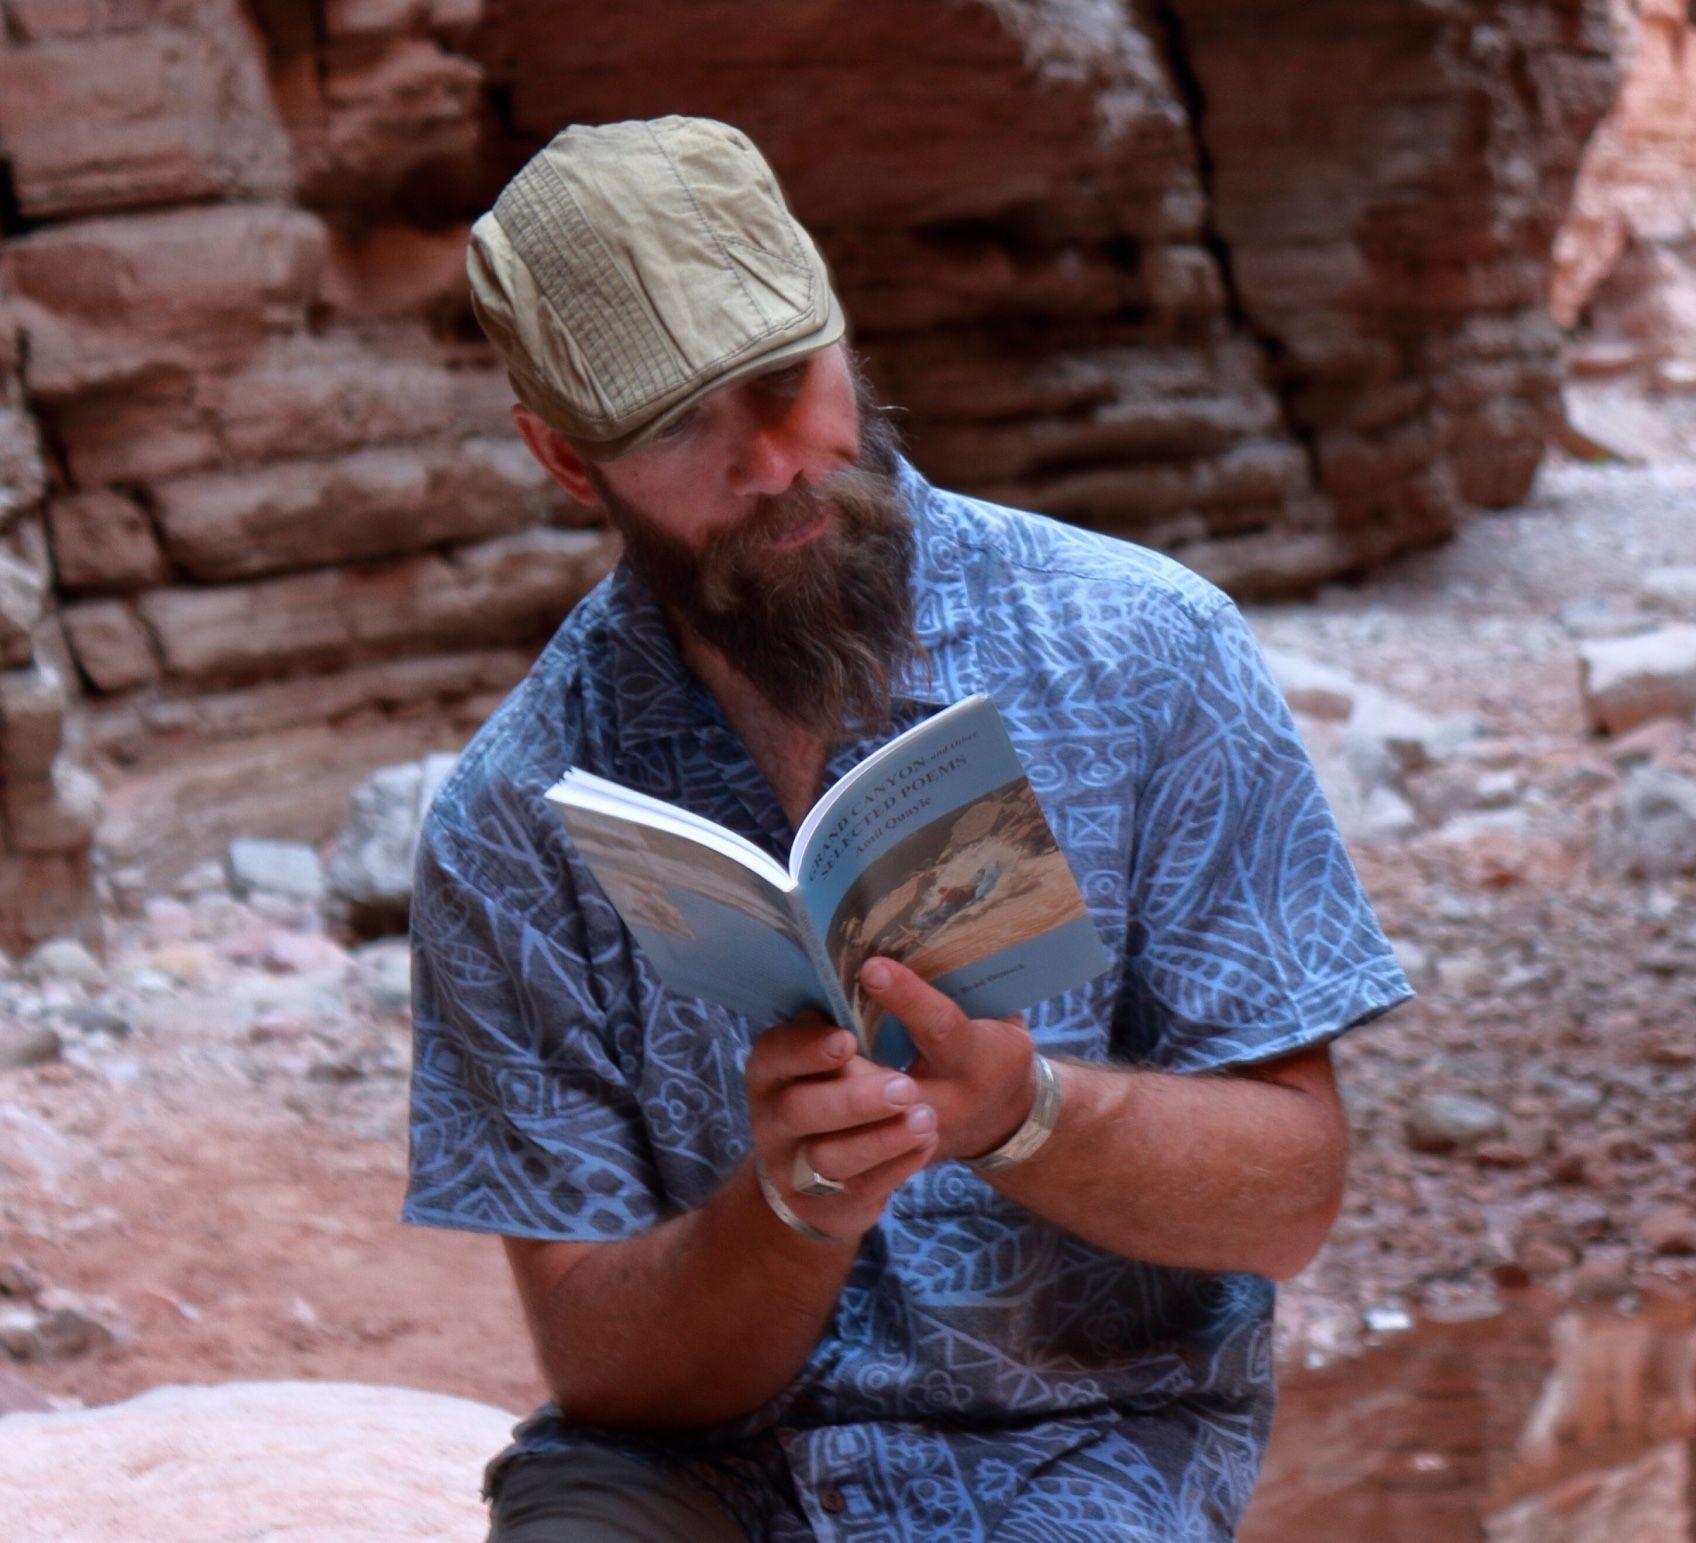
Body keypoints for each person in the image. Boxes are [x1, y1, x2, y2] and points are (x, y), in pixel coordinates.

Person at [403, 116, 1413, 1542]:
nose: (773, 461)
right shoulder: (517, 812)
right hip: (700, 1471)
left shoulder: (1144, 651)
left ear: (837, 319)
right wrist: (790, 1209)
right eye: (682, 424)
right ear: (570, 463)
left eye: (781, 378)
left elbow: (1291, 1197)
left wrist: (1023, 1113)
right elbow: (601, 1362)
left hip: (1077, 1440)